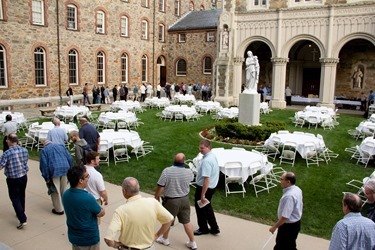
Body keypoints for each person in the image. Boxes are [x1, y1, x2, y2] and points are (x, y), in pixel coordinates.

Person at [104, 177, 173, 250]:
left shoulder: (120, 211)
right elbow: (169, 220)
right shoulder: (153, 202)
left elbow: (108, 239)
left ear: (124, 191)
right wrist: (156, 236)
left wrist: (116, 245)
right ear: (138, 189)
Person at [154, 153, 197, 249]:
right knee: (186, 221)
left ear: (174, 160)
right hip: (185, 200)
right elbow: (189, 181)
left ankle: (165, 239)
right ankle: (192, 242)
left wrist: (156, 196)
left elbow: (161, 186)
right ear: (184, 161)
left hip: (171, 201)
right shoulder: (189, 172)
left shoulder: (167, 171)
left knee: (167, 221)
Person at [62, 165, 105, 250]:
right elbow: (101, 213)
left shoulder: (65, 194)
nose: (88, 178)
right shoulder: (88, 198)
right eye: (87, 176)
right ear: (80, 180)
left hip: (74, 237)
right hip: (89, 239)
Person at [0, 133, 29, 229]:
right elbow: (25, 161)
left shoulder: (7, 153)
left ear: (9, 141)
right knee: (21, 195)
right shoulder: (24, 150)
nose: (6, 141)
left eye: (7, 140)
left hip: (12, 179)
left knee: (15, 198)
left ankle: (22, 219)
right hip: (23, 177)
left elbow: (1, 165)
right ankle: (21, 211)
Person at [269, 172, 303, 250]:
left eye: (281, 179)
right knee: (290, 245)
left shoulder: (289, 196)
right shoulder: (297, 189)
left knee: (280, 246)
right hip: (295, 224)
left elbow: (285, 216)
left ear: (288, 182)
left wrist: (274, 227)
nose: (280, 181)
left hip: (288, 227)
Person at [39, 140, 73, 215]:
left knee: (55, 190)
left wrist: (46, 177)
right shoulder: (61, 147)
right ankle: (65, 205)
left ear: (44, 145)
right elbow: (70, 158)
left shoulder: (44, 150)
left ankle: (59, 209)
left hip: (54, 171)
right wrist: (70, 169)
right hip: (65, 168)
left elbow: (44, 165)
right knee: (64, 188)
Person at [194, 139, 220, 236]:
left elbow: (206, 179)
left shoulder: (207, 161)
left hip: (204, 188)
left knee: (200, 208)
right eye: (200, 147)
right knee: (207, 208)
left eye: (202, 148)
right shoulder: (212, 156)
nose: (200, 150)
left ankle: (203, 228)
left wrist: (202, 194)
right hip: (212, 187)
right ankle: (214, 228)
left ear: (208, 147)